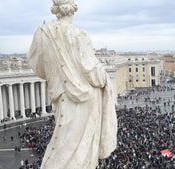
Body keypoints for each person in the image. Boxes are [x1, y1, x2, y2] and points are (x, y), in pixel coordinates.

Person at [27, 0, 117, 168]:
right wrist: (105, 78)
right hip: (85, 101)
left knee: (63, 143)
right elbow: (91, 72)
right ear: (73, 9)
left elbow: (38, 67)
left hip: (61, 96)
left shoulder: (41, 33)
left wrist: (57, 74)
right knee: (76, 150)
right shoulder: (79, 34)